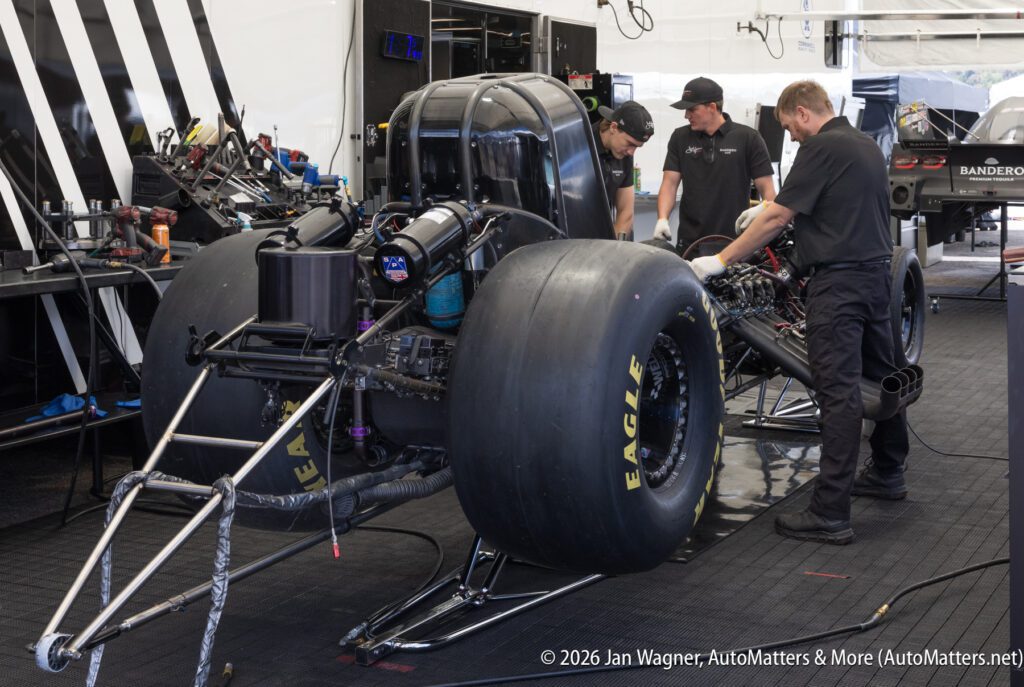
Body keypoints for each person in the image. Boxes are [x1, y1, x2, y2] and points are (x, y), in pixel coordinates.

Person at [688, 80, 910, 545]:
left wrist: (721, 260)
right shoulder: (865, 145)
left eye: (790, 128)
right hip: (872, 276)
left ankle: (830, 512)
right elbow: (832, 206)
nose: (791, 137)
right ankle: (889, 472)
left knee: (838, 393)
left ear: (804, 113)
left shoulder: (823, 147)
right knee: (884, 374)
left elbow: (776, 219)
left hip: (840, 285)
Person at [653, 77, 776, 256]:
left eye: (692, 109)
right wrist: (662, 218)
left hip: (734, 243)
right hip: (690, 243)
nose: (686, 115)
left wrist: (763, 214)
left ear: (712, 107)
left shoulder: (748, 138)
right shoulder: (680, 137)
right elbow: (669, 184)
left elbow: (769, 192)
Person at [594, 100, 653, 240]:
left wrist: (616, 249)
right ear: (613, 127)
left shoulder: (623, 153)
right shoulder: (580, 144)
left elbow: (625, 211)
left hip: (603, 240)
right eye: (630, 144)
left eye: (637, 147)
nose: (631, 153)